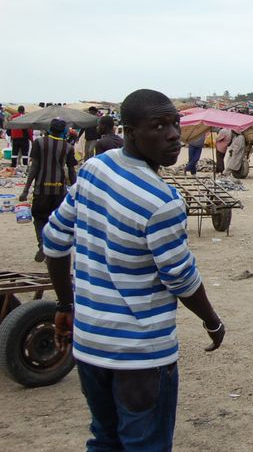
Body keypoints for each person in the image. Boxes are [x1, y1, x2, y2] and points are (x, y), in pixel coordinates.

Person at [42, 88, 224, 450]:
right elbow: (181, 278)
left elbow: (54, 241)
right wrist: (212, 321)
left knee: (105, 440)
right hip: (140, 355)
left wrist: (65, 305)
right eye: (158, 126)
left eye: (175, 123)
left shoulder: (94, 169)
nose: (173, 134)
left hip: (91, 344)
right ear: (130, 131)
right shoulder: (162, 201)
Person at [19, 118, 77, 262]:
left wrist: (26, 190)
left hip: (41, 188)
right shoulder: (67, 147)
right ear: (64, 131)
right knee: (56, 220)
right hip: (59, 190)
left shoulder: (39, 142)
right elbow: (71, 170)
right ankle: (53, 248)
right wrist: (76, 190)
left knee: (39, 218)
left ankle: (42, 243)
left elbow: (34, 167)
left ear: (50, 129)